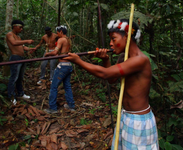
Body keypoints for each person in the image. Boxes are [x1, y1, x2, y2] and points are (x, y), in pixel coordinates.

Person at [64, 19, 159, 149]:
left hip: (139, 121)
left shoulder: (140, 60)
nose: (111, 44)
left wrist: (78, 61)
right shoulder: (123, 58)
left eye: (114, 39)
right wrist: (105, 60)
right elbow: (112, 79)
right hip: (126, 116)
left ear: (127, 36)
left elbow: (106, 74)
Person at [43, 25, 75, 114]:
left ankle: (53, 108)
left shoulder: (61, 39)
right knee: (67, 86)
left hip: (62, 66)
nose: (57, 34)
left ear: (61, 32)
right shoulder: (68, 40)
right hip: (68, 65)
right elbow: (62, 53)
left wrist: (47, 54)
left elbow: (55, 52)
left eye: (57, 32)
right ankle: (71, 105)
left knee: (53, 87)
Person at [6, 19, 36, 105]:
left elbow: (22, 47)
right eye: (20, 27)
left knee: (20, 77)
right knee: (14, 77)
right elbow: (14, 43)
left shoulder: (18, 37)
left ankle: (20, 93)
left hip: (22, 58)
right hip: (15, 58)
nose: (21, 29)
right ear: (14, 26)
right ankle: (11, 96)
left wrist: (30, 49)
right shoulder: (10, 35)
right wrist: (27, 41)